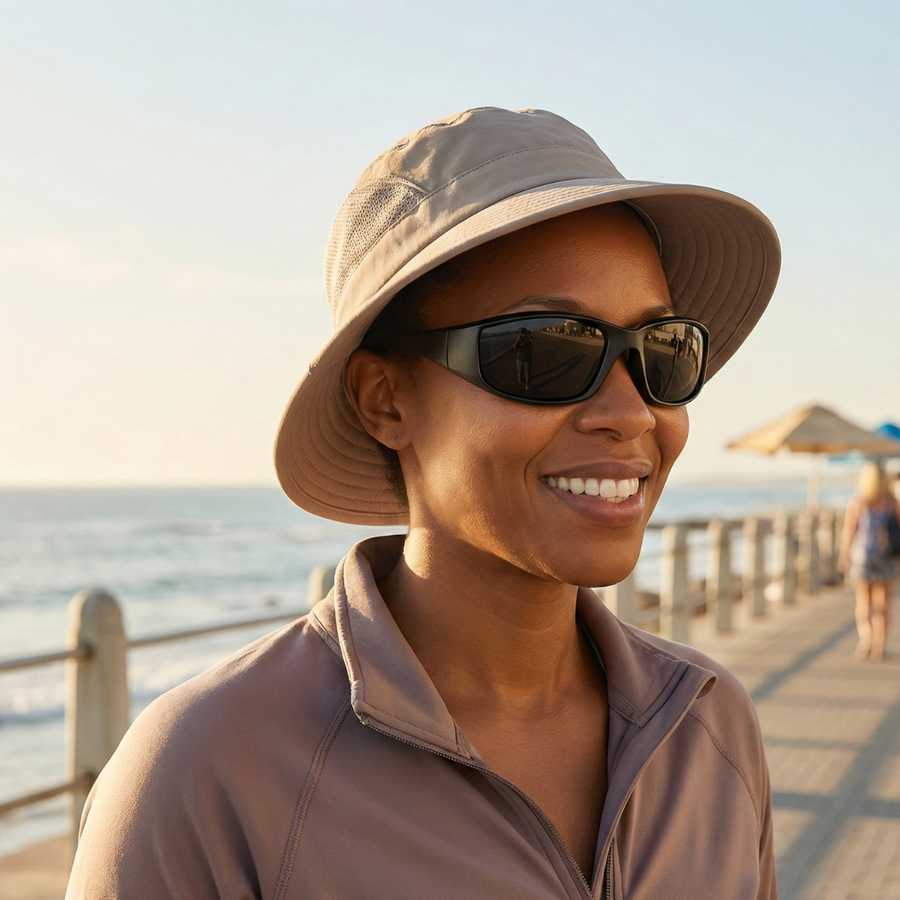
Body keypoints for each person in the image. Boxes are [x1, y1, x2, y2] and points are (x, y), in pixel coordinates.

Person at [67, 108, 781, 899]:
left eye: (662, 352)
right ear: (385, 400)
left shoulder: (710, 727)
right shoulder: (209, 774)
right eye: (543, 351)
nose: (632, 411)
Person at [840, 461, 900, 661]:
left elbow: (849, 531)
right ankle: (879, 646)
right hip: (886, 558)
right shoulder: (892, 502)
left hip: (862, 557)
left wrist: (844, 555)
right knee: (883, 603)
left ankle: (866, 641)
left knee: (864, 602)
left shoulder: (858, 501)